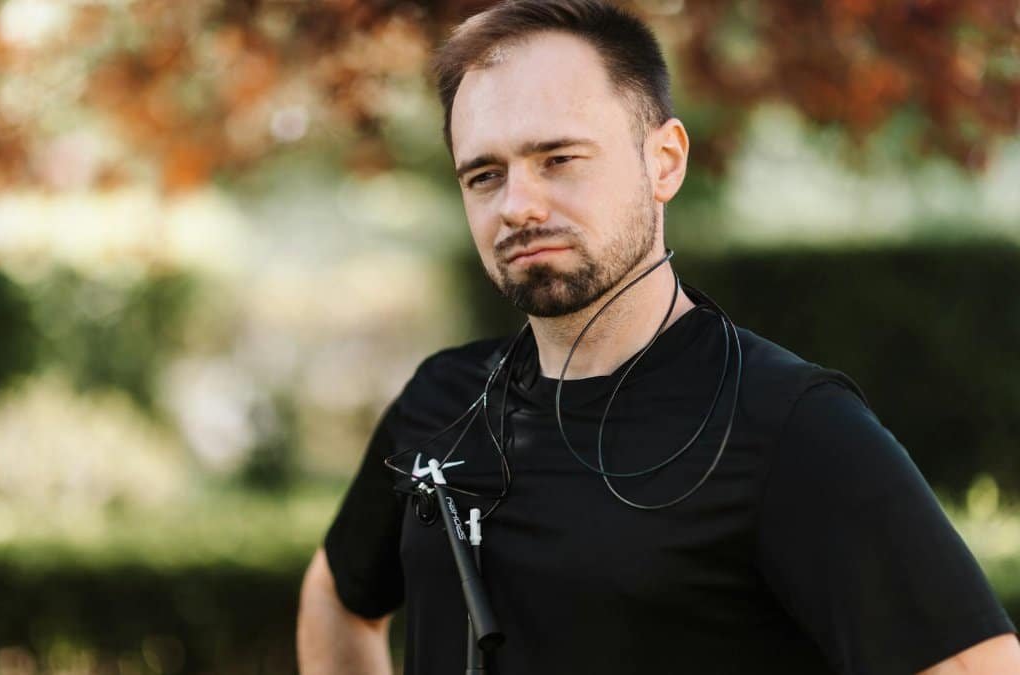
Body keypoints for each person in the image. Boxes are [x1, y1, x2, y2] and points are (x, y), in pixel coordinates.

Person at [296, 1, 1020, 673]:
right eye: (485, 175)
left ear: (664, 161)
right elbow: (337, 595)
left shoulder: (788, 424)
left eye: (559, 158)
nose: (518, 204)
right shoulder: (440, 397)